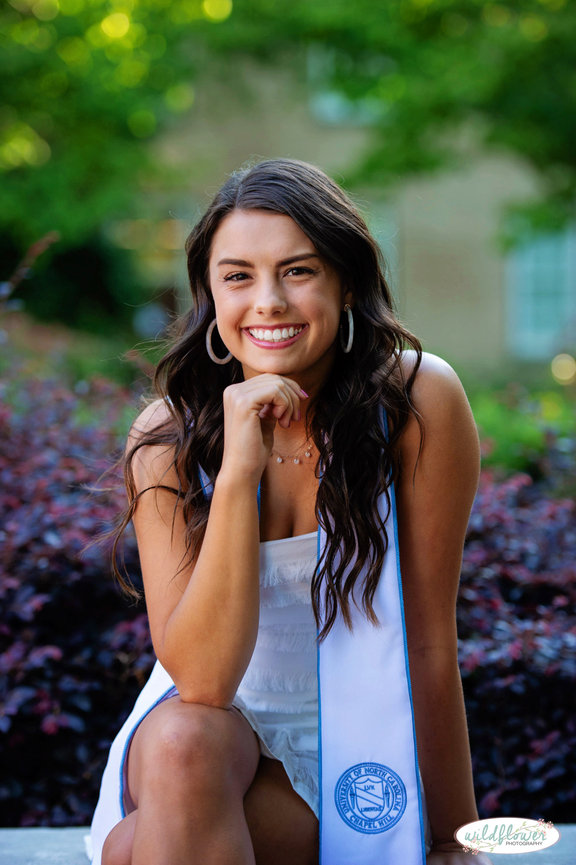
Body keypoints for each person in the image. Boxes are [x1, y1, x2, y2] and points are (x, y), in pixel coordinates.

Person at [88, 158, 492, 865]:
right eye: (238, 276)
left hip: (348, 749)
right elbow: (203, 681)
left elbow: (428, 640)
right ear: (211, 297)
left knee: (136, 850)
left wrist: (450, 838)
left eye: (298, 271)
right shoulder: (166, 437)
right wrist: (240, 467)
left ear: (345, 282)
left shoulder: (417, 402)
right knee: (186, 738)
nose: (268, 300)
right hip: (199, 739)